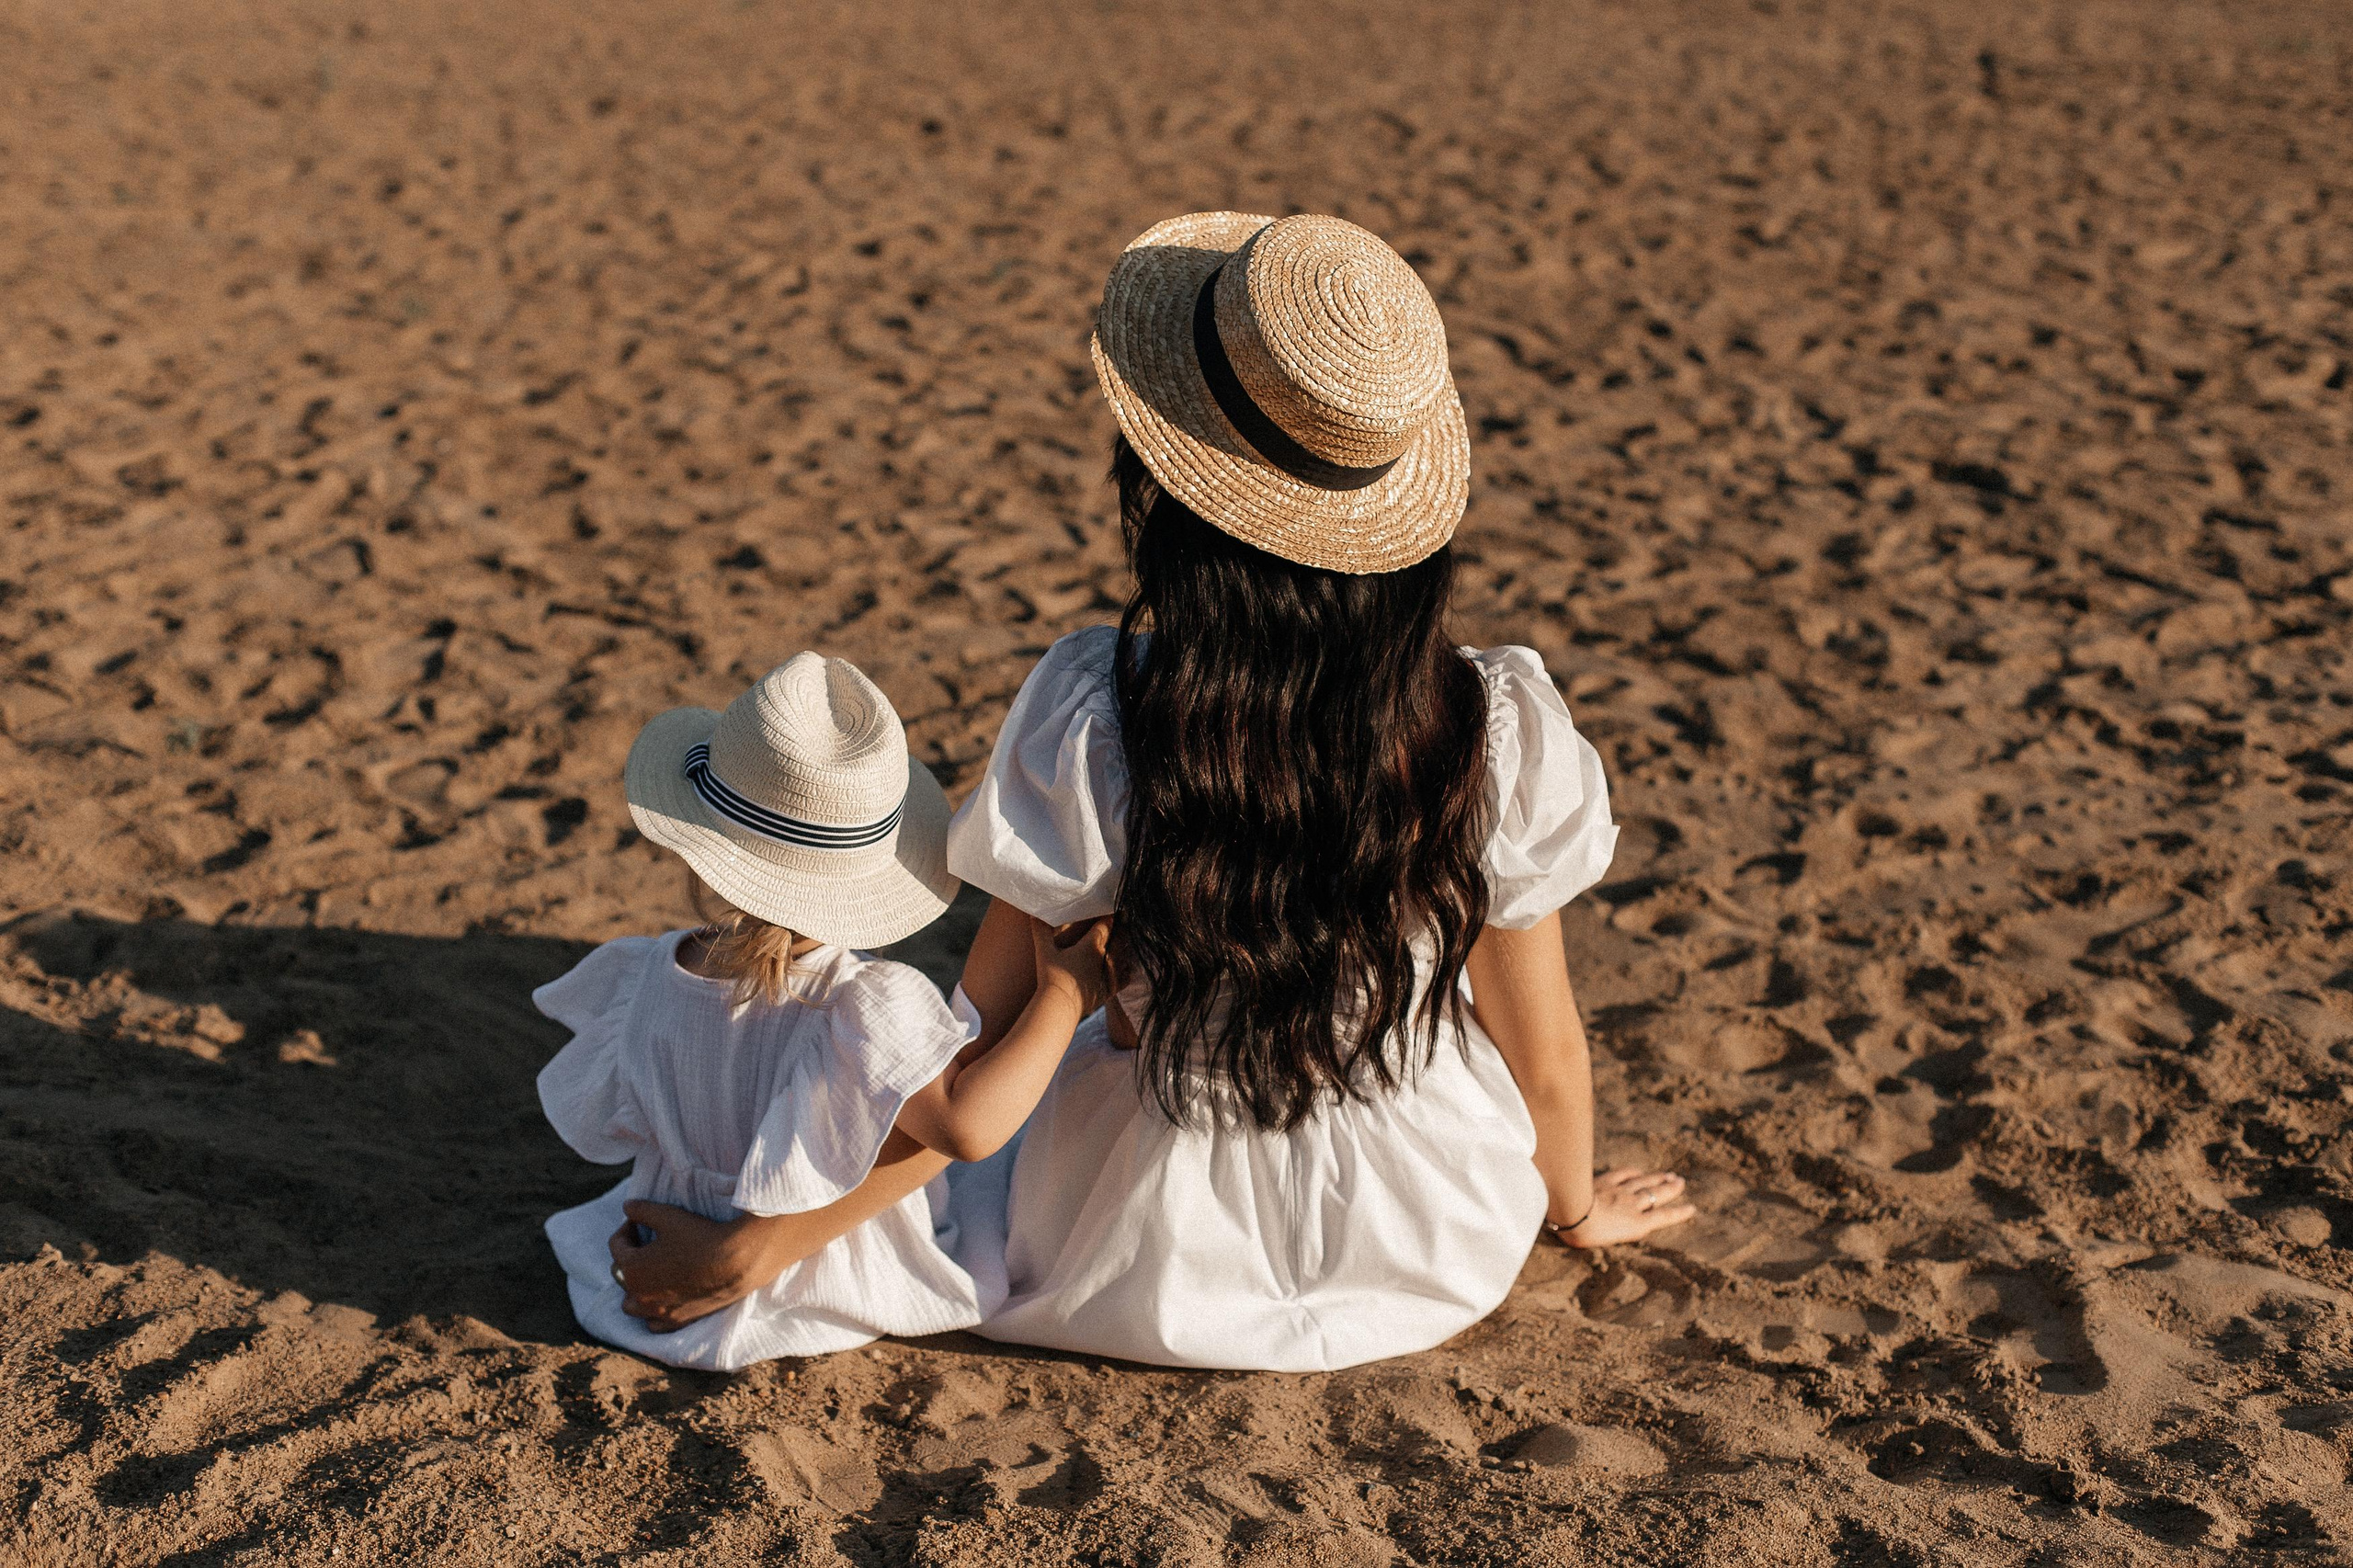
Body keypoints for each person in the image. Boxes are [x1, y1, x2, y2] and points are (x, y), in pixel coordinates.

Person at [607, 212, 1694, 1369]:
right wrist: (1568, 1211)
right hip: (1422, 1237)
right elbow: (1547, 1055)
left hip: (1142, 1249)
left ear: (1170, 486)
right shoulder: (1491, 724)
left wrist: (761, 1248)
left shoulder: (1097, 710)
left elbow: (970, 1049)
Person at [536, 652, 1107, 1370]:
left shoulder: (640, 972)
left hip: (668, 1240)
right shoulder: (865, 1001)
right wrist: (1067, 994)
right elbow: (968, 1128)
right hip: (803, 1285)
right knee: (1008, 1184)